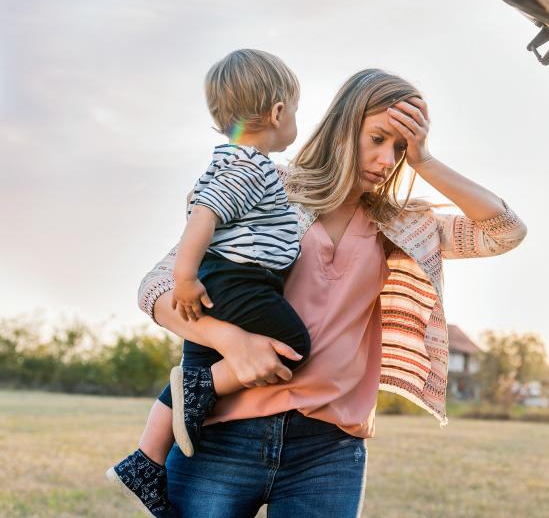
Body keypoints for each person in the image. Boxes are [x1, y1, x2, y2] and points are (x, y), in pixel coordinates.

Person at [126, 68, 526, 517]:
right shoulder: (267, 185)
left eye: (399, 149)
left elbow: (503, 232)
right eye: (377, 138)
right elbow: (157, 287)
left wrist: (425, 161)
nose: (386, 160)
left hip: (328, 451)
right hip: (223, 434)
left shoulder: (401, 224)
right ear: (343, 126)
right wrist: (231, 342)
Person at [106, 49, 313, 517]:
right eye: (296, 110)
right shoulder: (251, 166)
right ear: (278, 112)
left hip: (223, 279)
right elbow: (204, 215)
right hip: (239, 279)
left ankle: (147, 459)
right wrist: (183, 276)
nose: (295, 120)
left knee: (196, 369)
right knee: (292, 344)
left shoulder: (228, 160)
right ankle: (199, 393)